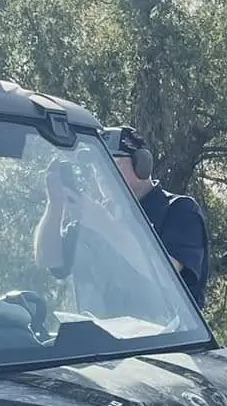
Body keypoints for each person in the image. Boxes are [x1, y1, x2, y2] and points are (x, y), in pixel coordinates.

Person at [35, 127, 210, 313]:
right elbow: (49, 260)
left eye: (114, 165)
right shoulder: (98, 214)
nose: (102, 172)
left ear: (142, 165)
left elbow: (166, 276)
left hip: (166, 339)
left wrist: (105, 226)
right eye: (97, 166)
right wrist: (55, 204)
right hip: (104, 340)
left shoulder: (179, 211)